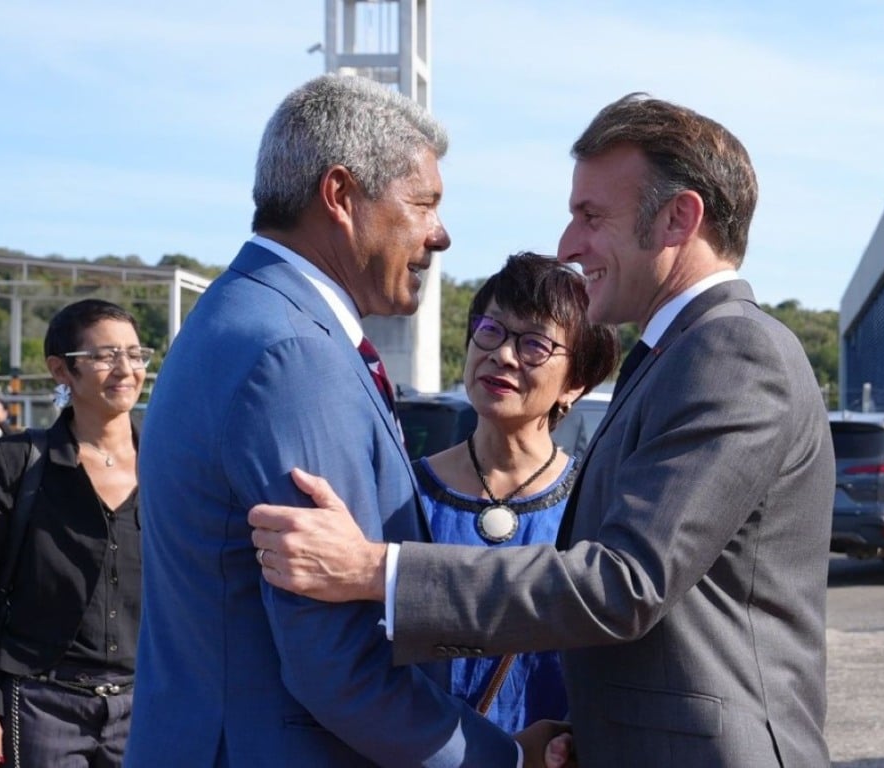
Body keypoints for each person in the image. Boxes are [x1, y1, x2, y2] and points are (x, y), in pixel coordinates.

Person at [249, 92, 837, 767]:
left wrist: (372, 570)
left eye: (591, 216)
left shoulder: (732, 353)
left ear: (679, 218)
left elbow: (625, 583)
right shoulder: (677, 355)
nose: (569, 245)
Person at [125, 74, 568, 768]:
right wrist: (502, 758)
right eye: (423, 204)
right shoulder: (293, 353)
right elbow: (338, 667)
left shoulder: (238, 318)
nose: (440, 234)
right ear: (340, 196)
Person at [415, 252, 617, 730]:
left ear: (577, 384)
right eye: (491, 329)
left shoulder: (596, 505)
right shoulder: (404, 491)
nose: (502, 354)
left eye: (534, 344)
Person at [0, 299, 147, 768]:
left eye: (136, 354)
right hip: (42, 703)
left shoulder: (172, 462)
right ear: (62, 370)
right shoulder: (19, 462)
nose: (125, 369)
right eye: (104, 355)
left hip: (147, 704)